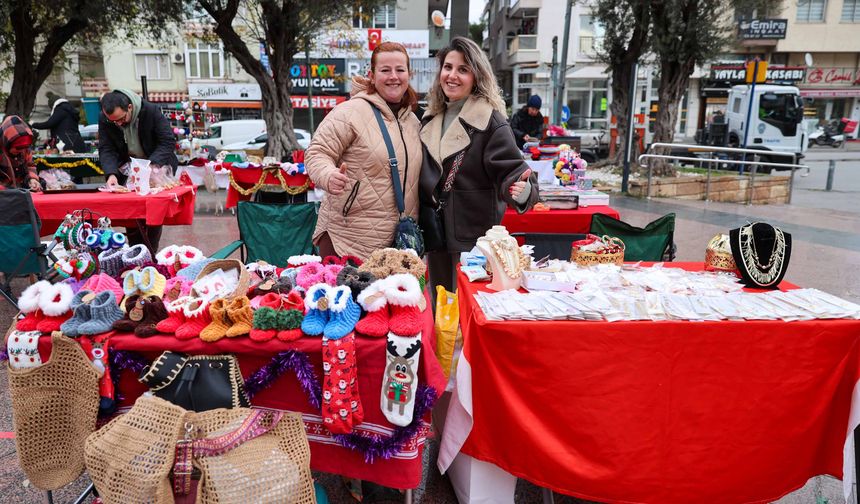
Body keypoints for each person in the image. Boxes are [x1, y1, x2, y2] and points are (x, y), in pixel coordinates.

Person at [419, 36, 539, 293]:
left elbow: (513, 171)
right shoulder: (429, 118)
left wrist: (522, 189)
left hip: (473, 239)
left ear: (477, 77)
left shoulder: (490, 121)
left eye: (463, 70)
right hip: (436, 232)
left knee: (467, 313)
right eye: (448, 67)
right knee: (442, 310)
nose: (452, 75)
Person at [306, 42, 422, 259]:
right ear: (371, 74)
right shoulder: (350, 112)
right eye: (385, 70)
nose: (393, 76)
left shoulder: (413, 121)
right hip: (348, 242)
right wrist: (327, 175)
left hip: (396, 245)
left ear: (409, 73)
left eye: (400, 70)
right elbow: (317, 152)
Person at [98, 89, 178, 252]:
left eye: (121, 119)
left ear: (129, 108)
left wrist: (151, 166)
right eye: (114, 122)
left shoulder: (150, 111)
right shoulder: (106, 119)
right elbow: (106, 148)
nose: (118, 124)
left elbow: (167, 141)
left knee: (152, 213)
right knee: (132, 212)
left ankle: (150, 251)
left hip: (156, 167)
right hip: (127, 170)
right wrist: (111, 173)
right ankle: (136, 250)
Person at [0, 115, 41, 192]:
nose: (21, 150)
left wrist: (32, 179)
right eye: (18, 147)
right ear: (8, 143)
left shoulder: (25, 150)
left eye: (25, 147)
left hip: (19, 193)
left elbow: (30, 165)